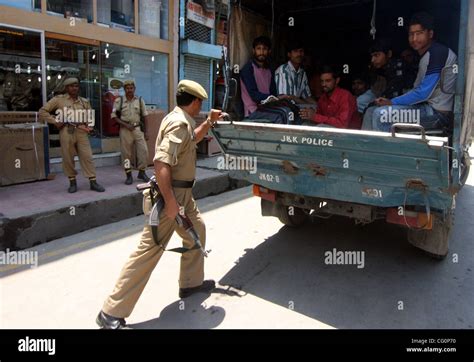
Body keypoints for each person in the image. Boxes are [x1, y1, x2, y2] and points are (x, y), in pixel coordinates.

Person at [96, 80, 226, 329]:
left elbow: (192, 140)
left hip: (184, 195)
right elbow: (161, 163)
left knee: (196, 232)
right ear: (195, 101)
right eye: (201, 103)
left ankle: (190, 284)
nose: (201, 106)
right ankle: (111, 312)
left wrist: (209, 122)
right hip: (173, 195)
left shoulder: (180, 119)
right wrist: (169, 202)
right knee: (149, 249)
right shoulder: (178, 123)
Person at [363, 12, 457, 132]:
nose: (414, 39)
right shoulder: (426, 56)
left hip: (438, 114)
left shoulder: (438, 53)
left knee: (381, 115)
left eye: (419, 33)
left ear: (430, 34)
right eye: (411, 34)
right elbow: (416, 89)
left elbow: (423, 93)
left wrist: (392, 102)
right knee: (371, 111)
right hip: (426, 108)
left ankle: (386, 150)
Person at [38, 77, 105, 193]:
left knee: (87, 157)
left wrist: (90, 127)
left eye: (76, 86)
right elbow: (42, 112)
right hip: (66, 131)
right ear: (66, 88)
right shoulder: (59, 100)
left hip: (81, 131)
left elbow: (90, 116)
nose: (74, 88)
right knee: (68, 158)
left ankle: (93, 182)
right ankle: (72, 182)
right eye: (71, 86)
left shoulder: (84, 101)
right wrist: (55, 121)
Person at [111, 80, 150, 185]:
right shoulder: (119, 101)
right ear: (124, 89)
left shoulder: (140, 100)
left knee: (144, 151)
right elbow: (114, 117)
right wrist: (125, 125)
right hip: (125, 130)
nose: (129, 90)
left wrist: (146, 131)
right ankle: (128, 175)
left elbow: (145, 116)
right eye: (127, 88)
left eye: (131, 88)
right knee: (126, 154)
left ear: (134, 89)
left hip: (137, 129)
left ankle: (142, 172)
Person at [240, 36, 278, 116]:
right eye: (258, 48)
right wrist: (271, 97)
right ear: (253, 51)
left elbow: (273, 92)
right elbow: (254, 94)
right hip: (253, 111)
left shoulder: (269, 70)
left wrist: (275, 98)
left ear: (269, 51)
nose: (261, 52)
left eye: (264, 49)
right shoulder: (248, 69)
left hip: (267, 108)